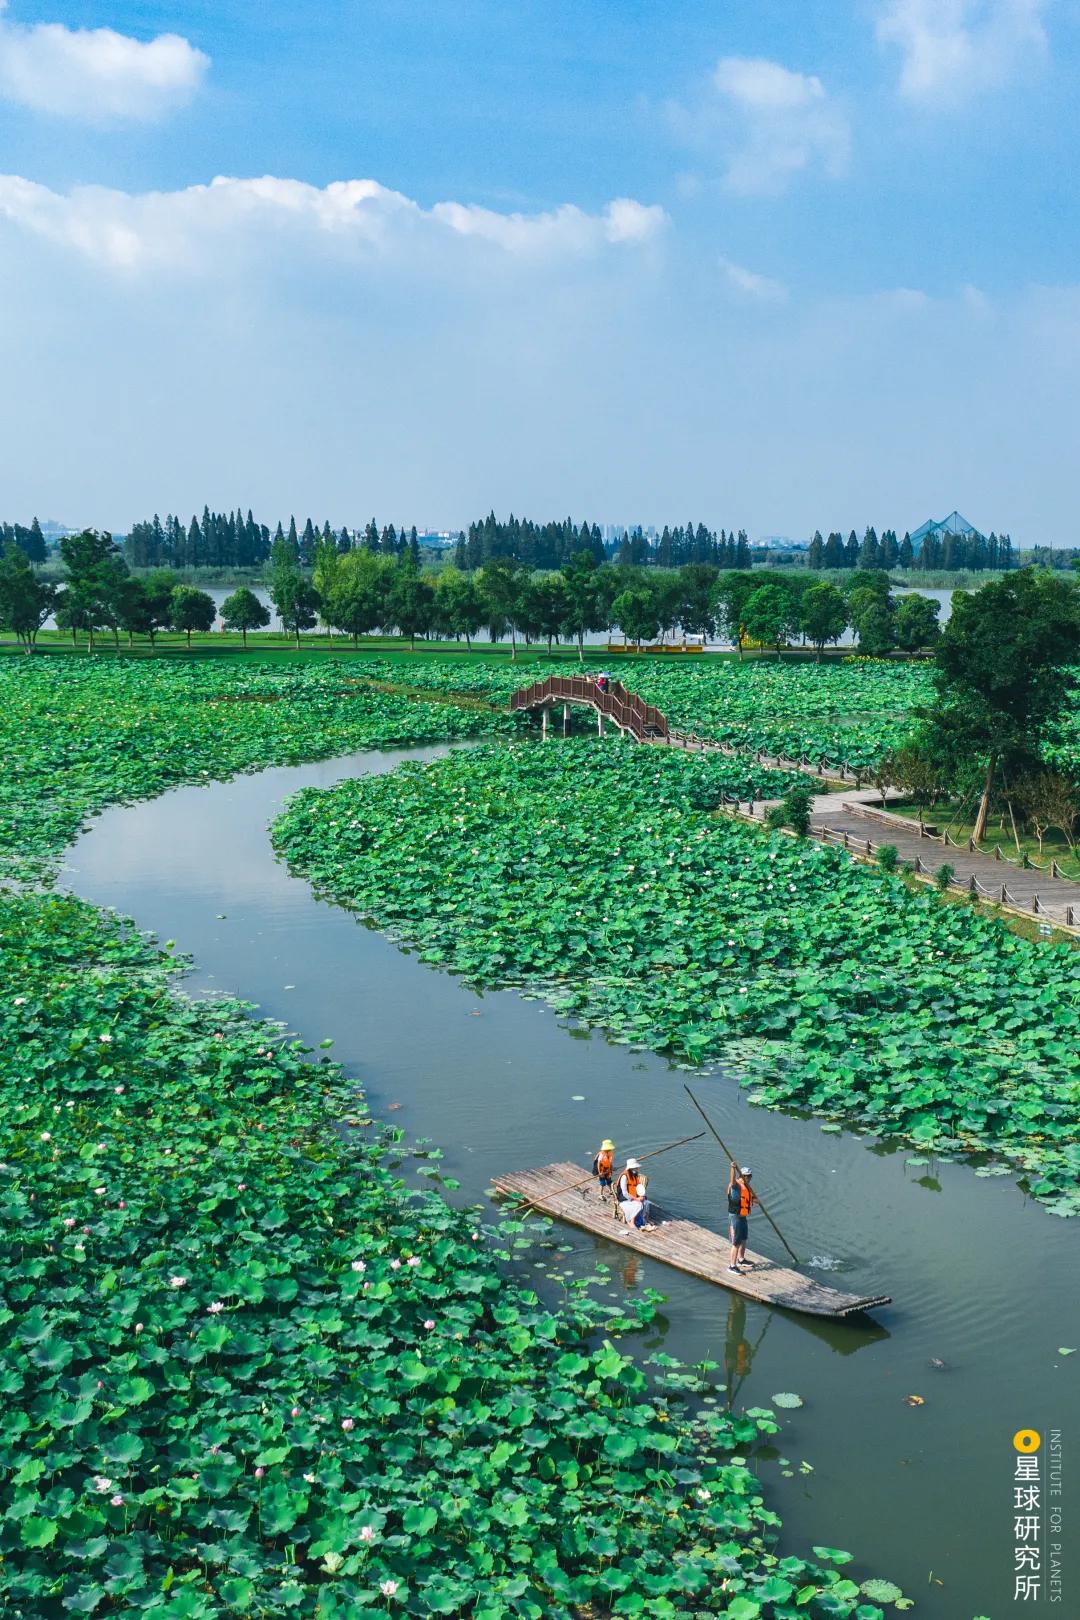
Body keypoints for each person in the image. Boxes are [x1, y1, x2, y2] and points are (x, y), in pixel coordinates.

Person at [727, 1163, 757, 1273]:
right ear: (743, 1176)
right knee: (736, 1242)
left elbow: (747, 1198)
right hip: (736, 1217)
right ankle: (732, 1266)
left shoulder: (746, 1187)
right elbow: (732, 1180)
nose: (749, 1178)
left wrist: (754, 1200)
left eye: (750, 1176)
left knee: (744, 1238)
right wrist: (732, 1168)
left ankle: (741, 1259)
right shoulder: (736, 1186)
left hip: (743, 1217)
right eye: (748, 1176)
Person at [616, 1157, 655, 1231]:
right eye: (636, 1167)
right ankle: (632, 1222)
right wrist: (636, 1199)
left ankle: (645, 1220)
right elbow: (624, 1193)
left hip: (633, 1196)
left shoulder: (635, 1175)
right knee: (638, 1204)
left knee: (646, 1203)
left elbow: (638, 1187)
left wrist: (641, 1196)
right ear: (631, 1168)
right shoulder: (624, 1176)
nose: (637, 1169)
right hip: (624, 1198)